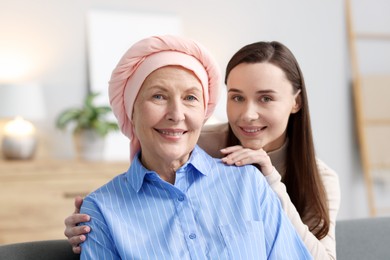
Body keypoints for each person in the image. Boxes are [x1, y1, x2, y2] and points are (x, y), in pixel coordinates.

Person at [65, 40, 340, 259]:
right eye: (237, 97)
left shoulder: (256, 182)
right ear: (131, 111)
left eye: (266, 98)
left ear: (296, 103)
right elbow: (154, 160)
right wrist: (97, 214)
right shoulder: (192, 139)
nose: (248, 115)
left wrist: (271, 181)